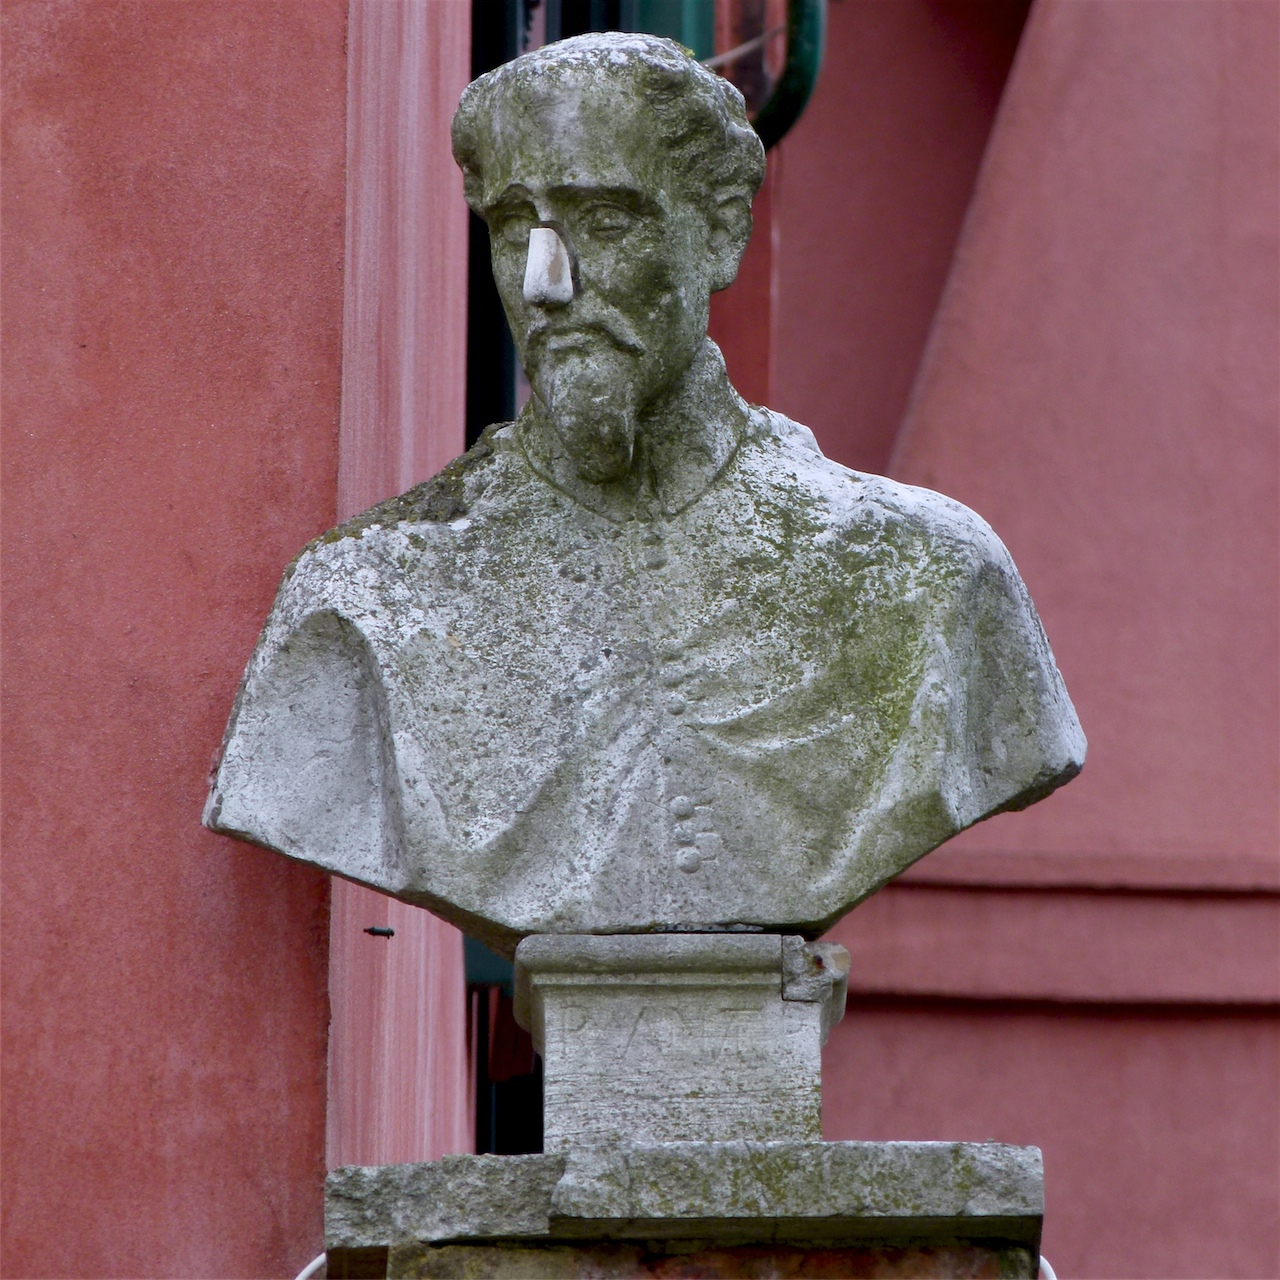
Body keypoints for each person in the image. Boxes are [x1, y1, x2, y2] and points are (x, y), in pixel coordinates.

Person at [205, 34, 1084, 957]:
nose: (546, 282)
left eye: (607, 221)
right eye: (513, 227)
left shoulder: (930, 579)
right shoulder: (361, 610)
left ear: (719, 235)